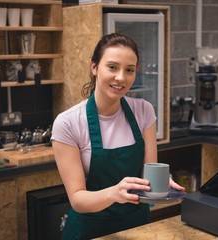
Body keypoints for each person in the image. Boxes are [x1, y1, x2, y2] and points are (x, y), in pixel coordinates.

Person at [51, 33, 185, 239]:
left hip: (137, 228)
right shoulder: (68, 123)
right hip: (90, 231)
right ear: (94, 67)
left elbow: (146, 177)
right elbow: (77, 199)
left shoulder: (144, 111)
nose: (121, 77)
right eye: (112, 67)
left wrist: (159, 184)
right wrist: (115, 193)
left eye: (129, 70)